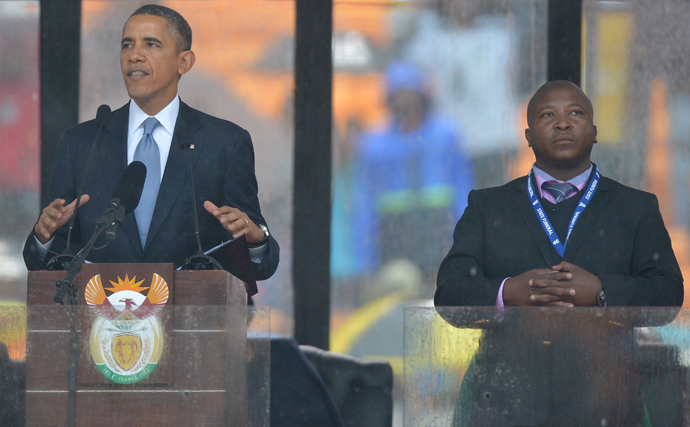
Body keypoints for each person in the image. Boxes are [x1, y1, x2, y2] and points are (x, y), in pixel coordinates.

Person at [435, 80, 684, 425]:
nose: (563, 123)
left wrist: (601, 292)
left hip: (607, 402)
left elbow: (668, 296)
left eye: (576, 113)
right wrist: (509, 293)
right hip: (508, 403)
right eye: (548, 114)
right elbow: (449, 294)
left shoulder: (636, 208)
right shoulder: (488, 206)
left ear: (595, 132)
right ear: (527, 136)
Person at [23, 5, 279, 284]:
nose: (134, 55)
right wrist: (43, 237)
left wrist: (256, 240)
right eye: (127, 45)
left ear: (184, 62)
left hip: (193, 322)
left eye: (151, 44)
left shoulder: (225, 143)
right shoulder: (83, 142)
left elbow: (261, 262)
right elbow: (45, 256)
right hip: (99, 321)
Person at [354, 61, 474, 283]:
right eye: (399, 98)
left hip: (438, 226)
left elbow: (462, 186)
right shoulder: (374, 144)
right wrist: (366, 258)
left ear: (423, 98)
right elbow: (366, 201)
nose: (406, 105)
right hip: (394, 232)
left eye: (411, 97)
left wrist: (465, 241)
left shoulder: (446, 134)